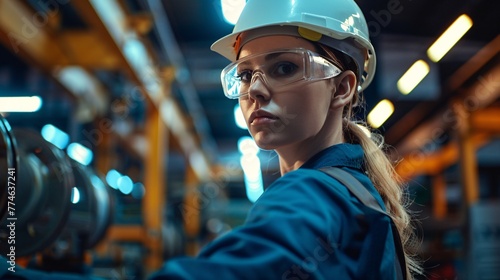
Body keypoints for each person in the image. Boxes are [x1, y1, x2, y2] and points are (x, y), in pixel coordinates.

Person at [150, 0, 421, 279]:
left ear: (341, 88)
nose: (254, 89)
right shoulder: (355, 196)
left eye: (284, 68)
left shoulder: (314, 192)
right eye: (244, 74)